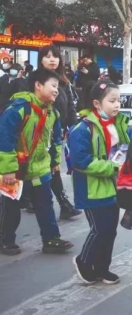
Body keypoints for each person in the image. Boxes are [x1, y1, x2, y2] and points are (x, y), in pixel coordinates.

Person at [0, 68, 74, 255]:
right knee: (11, 208)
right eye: (53, 86)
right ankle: (6, 240)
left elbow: (55, 140)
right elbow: (5, 139)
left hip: (41, 169)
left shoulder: (52, 113)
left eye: (57, 87)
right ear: (38, 85)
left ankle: (51, 239)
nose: (56, 90)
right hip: (15, 170)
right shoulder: (19, 109)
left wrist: (55, 162)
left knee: (45, 205)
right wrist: (7, 170)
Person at [68, 81, 130, 285]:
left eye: (119, 100)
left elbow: (127, 149)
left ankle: (102, 268)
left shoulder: (119, 124)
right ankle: (84, 262)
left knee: (110, 230)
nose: (117, 105)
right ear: (97, 103)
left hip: (114, 187)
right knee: (100, 229)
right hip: (91, 188)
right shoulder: (83, 128)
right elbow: (81, 161)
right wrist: (113, 167)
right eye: (112, 101)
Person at [36, 45, 81, 219]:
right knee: (46, 167)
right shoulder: (35, 81)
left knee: (53, 166)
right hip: (39, 132)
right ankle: (61, 203)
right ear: (41, 60)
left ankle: (60, 203)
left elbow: (70, 107)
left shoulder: (64, 82)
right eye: (47, 56)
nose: (52, 60)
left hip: (57, 132)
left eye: (55, 56)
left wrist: (73, 128)